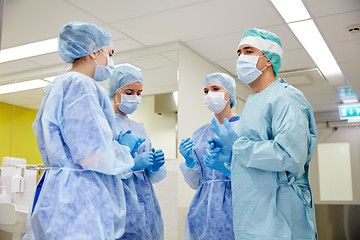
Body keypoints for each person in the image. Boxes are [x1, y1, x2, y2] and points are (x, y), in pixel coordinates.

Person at [23, 22, 136, 240]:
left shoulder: (61, 85)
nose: (110, 62)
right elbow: (90, 154)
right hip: (78, 198)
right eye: (109, 54)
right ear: (94, 52)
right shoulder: (80, 85)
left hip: (60, 194)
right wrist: (123, 156)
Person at [208, 28, 317, 239]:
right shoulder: (253, 102)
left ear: (268, 60)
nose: (241, 57)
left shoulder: (286, 98)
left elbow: (290, 156)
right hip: (256, 216)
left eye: (248, 51)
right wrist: (230, 159)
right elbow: (257, 164)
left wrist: (238, 146)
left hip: (281, 216)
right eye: (239, 52)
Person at [107, 65, 166, 240]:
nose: (135, 97)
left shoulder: (139, 129)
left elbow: (151, 177)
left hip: (147, 209)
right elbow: (102, 170)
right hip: (119, 206)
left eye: (139, 93)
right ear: (114, 92)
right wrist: (131, 165)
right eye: (129, 91)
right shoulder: (104, 124)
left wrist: (154, 167)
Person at [179, 73, 239, 240]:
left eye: (215, 89)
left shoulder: (244, 128)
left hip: (236, 205)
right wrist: (190, 162)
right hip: (202, 210)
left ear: (229, 93)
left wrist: (226, 168)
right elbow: (196, 183)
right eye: (206, 91)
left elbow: (252, 176)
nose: (209, 94)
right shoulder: (199, 134)